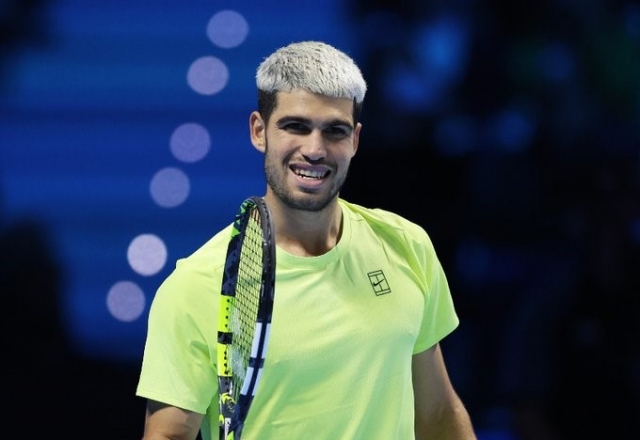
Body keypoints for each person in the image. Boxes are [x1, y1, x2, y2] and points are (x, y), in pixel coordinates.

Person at [136, 40, 476, 440]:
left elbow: (437, 412)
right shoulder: (197, 284)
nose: (315, 150)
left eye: (335, 131)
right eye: (295, 126)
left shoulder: (406, 245)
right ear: (259, 131)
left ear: (355, 140)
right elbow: (167, 435)